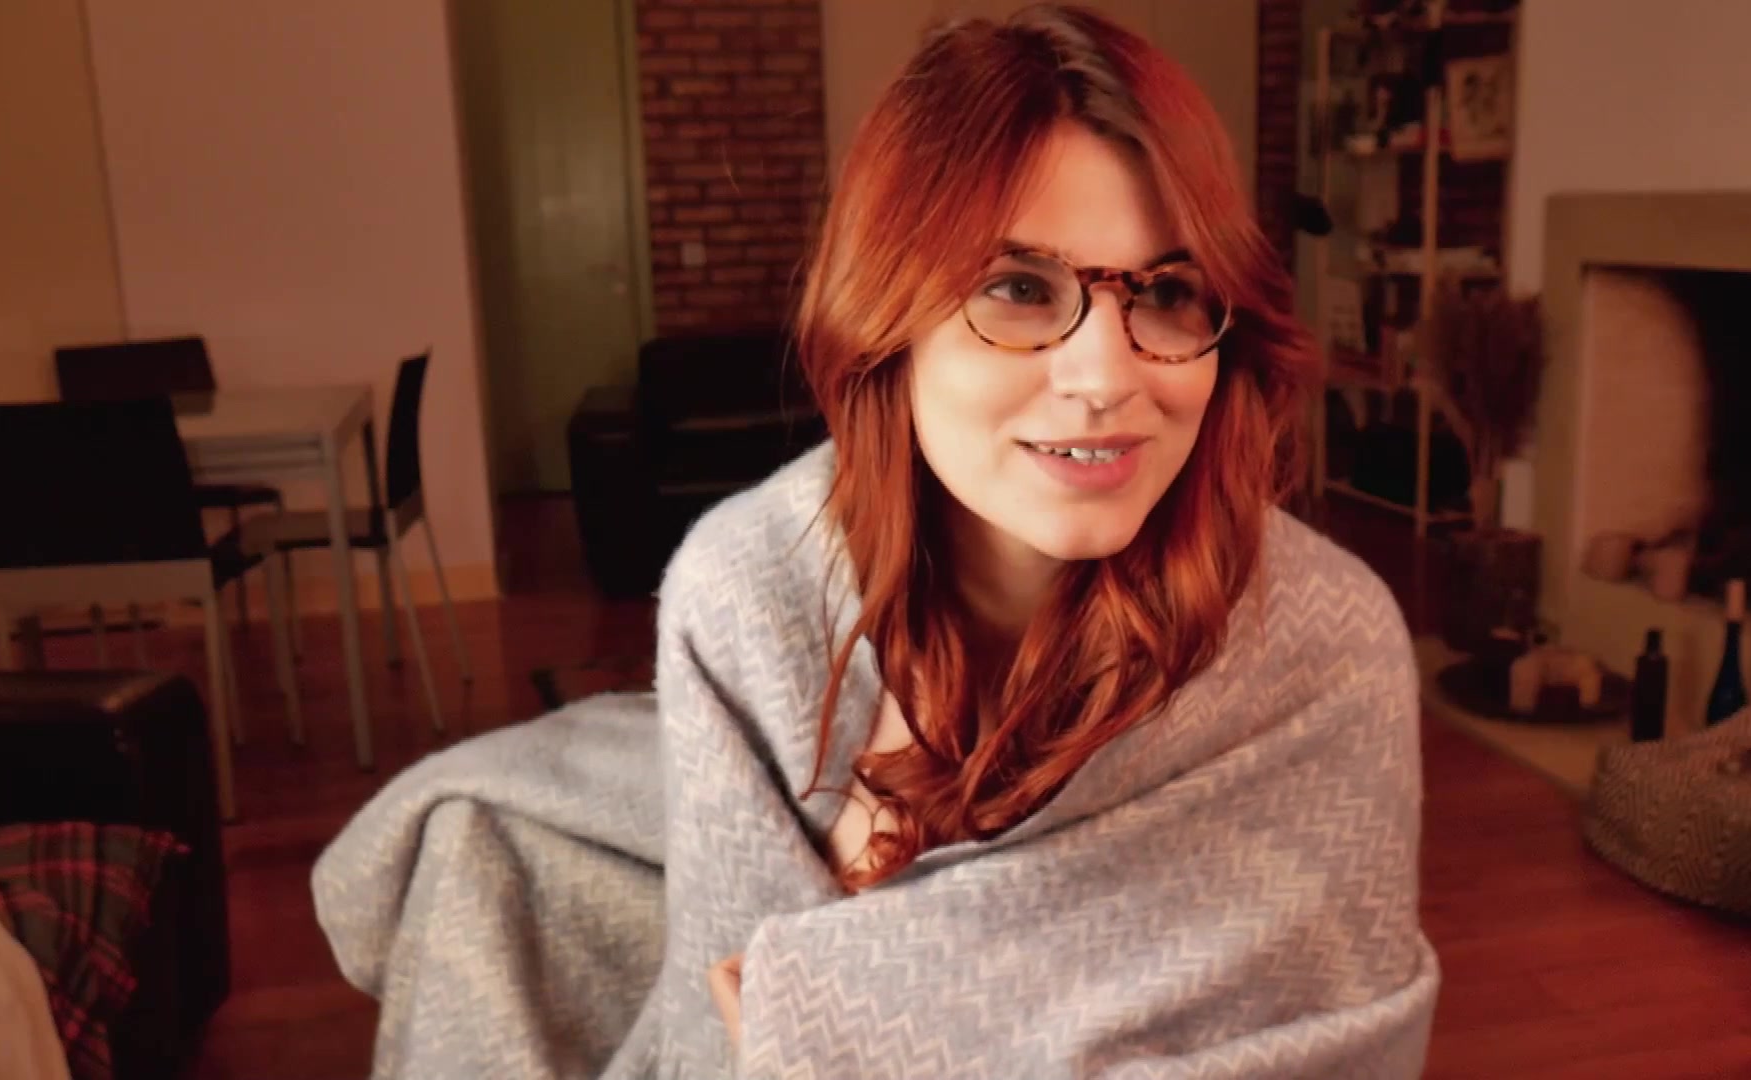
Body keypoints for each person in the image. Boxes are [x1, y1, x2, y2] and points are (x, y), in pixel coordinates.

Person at [313, 5, 1438, 1077]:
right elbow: (721, 1048)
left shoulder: (1325, 635)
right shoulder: (751, 593)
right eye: (1018, 287)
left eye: (1170, 293)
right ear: (887, 318)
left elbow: (1345, 1044)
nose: (1106, 376)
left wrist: (851, 972)